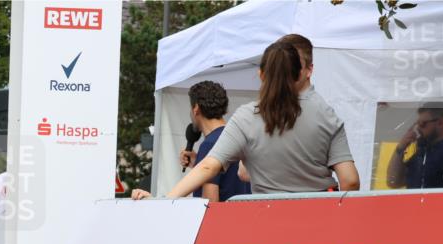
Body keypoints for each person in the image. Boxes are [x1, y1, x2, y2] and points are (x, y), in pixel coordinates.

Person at [133, 41, 359, 198]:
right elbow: (349, 181)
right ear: (302, 73)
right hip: (319, 218)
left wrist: (164, 200)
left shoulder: (247, 116)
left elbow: (208, 168)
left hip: (266, 219)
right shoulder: (327, 115)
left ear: (261, 75)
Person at [178, 81, 251, 202]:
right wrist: (198, 162)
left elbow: (209, 203)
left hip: (224, 220)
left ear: (196, 108)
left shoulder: (209, 145)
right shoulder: (239, 136)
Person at [387, 102, 443, 190]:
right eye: (417, 124)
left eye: (422, 124)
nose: (418, 129)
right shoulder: (423, 152)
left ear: (440, 122)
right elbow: (393, 181)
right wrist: (401, 147)